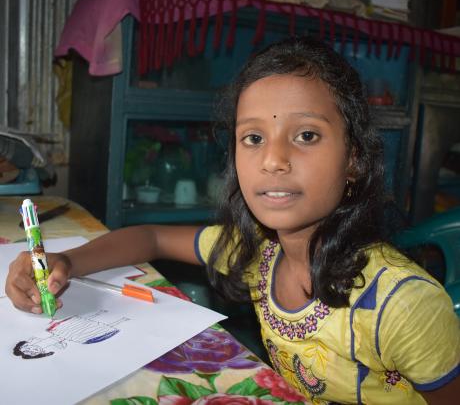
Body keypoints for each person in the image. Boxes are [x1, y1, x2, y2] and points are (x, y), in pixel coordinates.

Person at [6, 37, 459, 404]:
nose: (273, 159)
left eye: (306, 135)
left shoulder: (401, 306)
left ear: (354, 159)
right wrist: (66, 263)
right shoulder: (258, 254)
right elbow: (151, 237)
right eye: (253, 137)